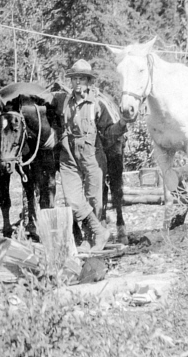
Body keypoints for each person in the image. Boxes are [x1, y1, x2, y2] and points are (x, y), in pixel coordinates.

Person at [58, 59, 111, 251]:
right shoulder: (65, 102)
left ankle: (91, 238)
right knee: (72, 200)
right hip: (69, 155)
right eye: (74, 78)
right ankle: (100, 231)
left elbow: (109, 133)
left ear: (89, 82)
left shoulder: (98, 104)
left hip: (93, 156)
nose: (78, 82)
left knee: (93, 199)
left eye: (82, 78)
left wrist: (122, 125)